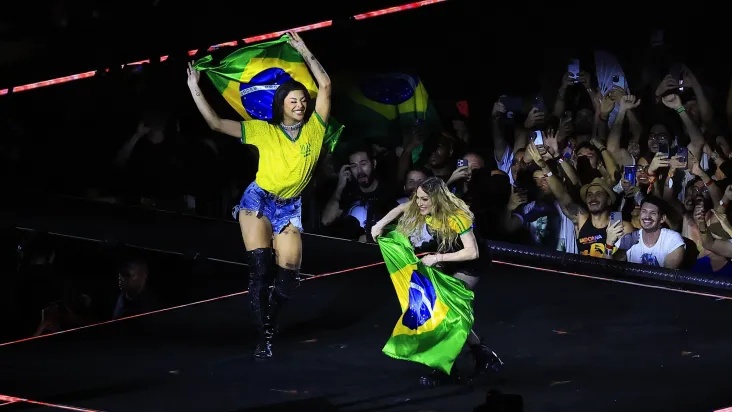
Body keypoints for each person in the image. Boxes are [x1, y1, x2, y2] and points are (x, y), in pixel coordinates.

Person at [186, 31, 331, 359]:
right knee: (261, 267)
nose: (300, 104)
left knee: (290, 274)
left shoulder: (315, 128)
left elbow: (324, 85)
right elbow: (216, 124)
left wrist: (303, 49)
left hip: (290, 207)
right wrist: (195, 88)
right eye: (293, 100)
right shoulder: (263, 129)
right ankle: (263, 336)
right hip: (259, 202)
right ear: (281, 105)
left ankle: (270, 322)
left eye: (302, 100)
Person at [371, 177, 503, 386]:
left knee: (446, 312)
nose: (419, 203)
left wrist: (437, 258)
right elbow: (400, 209)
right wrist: (379, 224)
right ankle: (480, 356)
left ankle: (449, 366)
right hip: (448, 257)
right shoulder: (421, 206)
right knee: (440, 311)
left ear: (437, 199)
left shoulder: (457, 216)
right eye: (418, 198)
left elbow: (472, 251)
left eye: (425, 199)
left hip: (470, 263)